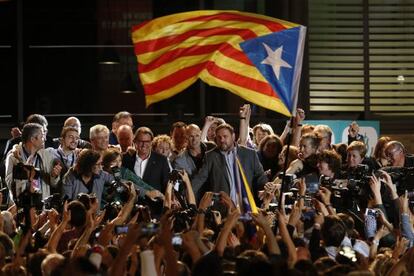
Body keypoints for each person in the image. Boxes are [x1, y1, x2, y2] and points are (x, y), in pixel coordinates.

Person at [191, 123, 269, 204]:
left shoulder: (249, 154)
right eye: (219, 137)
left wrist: (266, 188)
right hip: (222, 209)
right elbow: (199, 179)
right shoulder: (210, 156)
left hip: (246, 208)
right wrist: (186, 194)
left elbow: (260, 177)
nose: (222, 140)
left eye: (225, 136)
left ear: (233, 136)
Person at [4, 123, 62, 201]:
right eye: (42, 136)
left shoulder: (46, 156)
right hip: (20, 206)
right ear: (33, 139)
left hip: (41, 206)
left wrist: (54, 176)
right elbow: (10, 184)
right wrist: (25, 172)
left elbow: (54, 184)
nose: (45, 139)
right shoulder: (13, 157)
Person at [122, 127, 170, 193]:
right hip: (131, 201)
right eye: (141, 141)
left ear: (151, 142)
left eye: (147, 141)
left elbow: (166, 185)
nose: (144, 145)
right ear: (135, 141)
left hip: (154, 202)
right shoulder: (125, 159)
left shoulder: (161, 160)